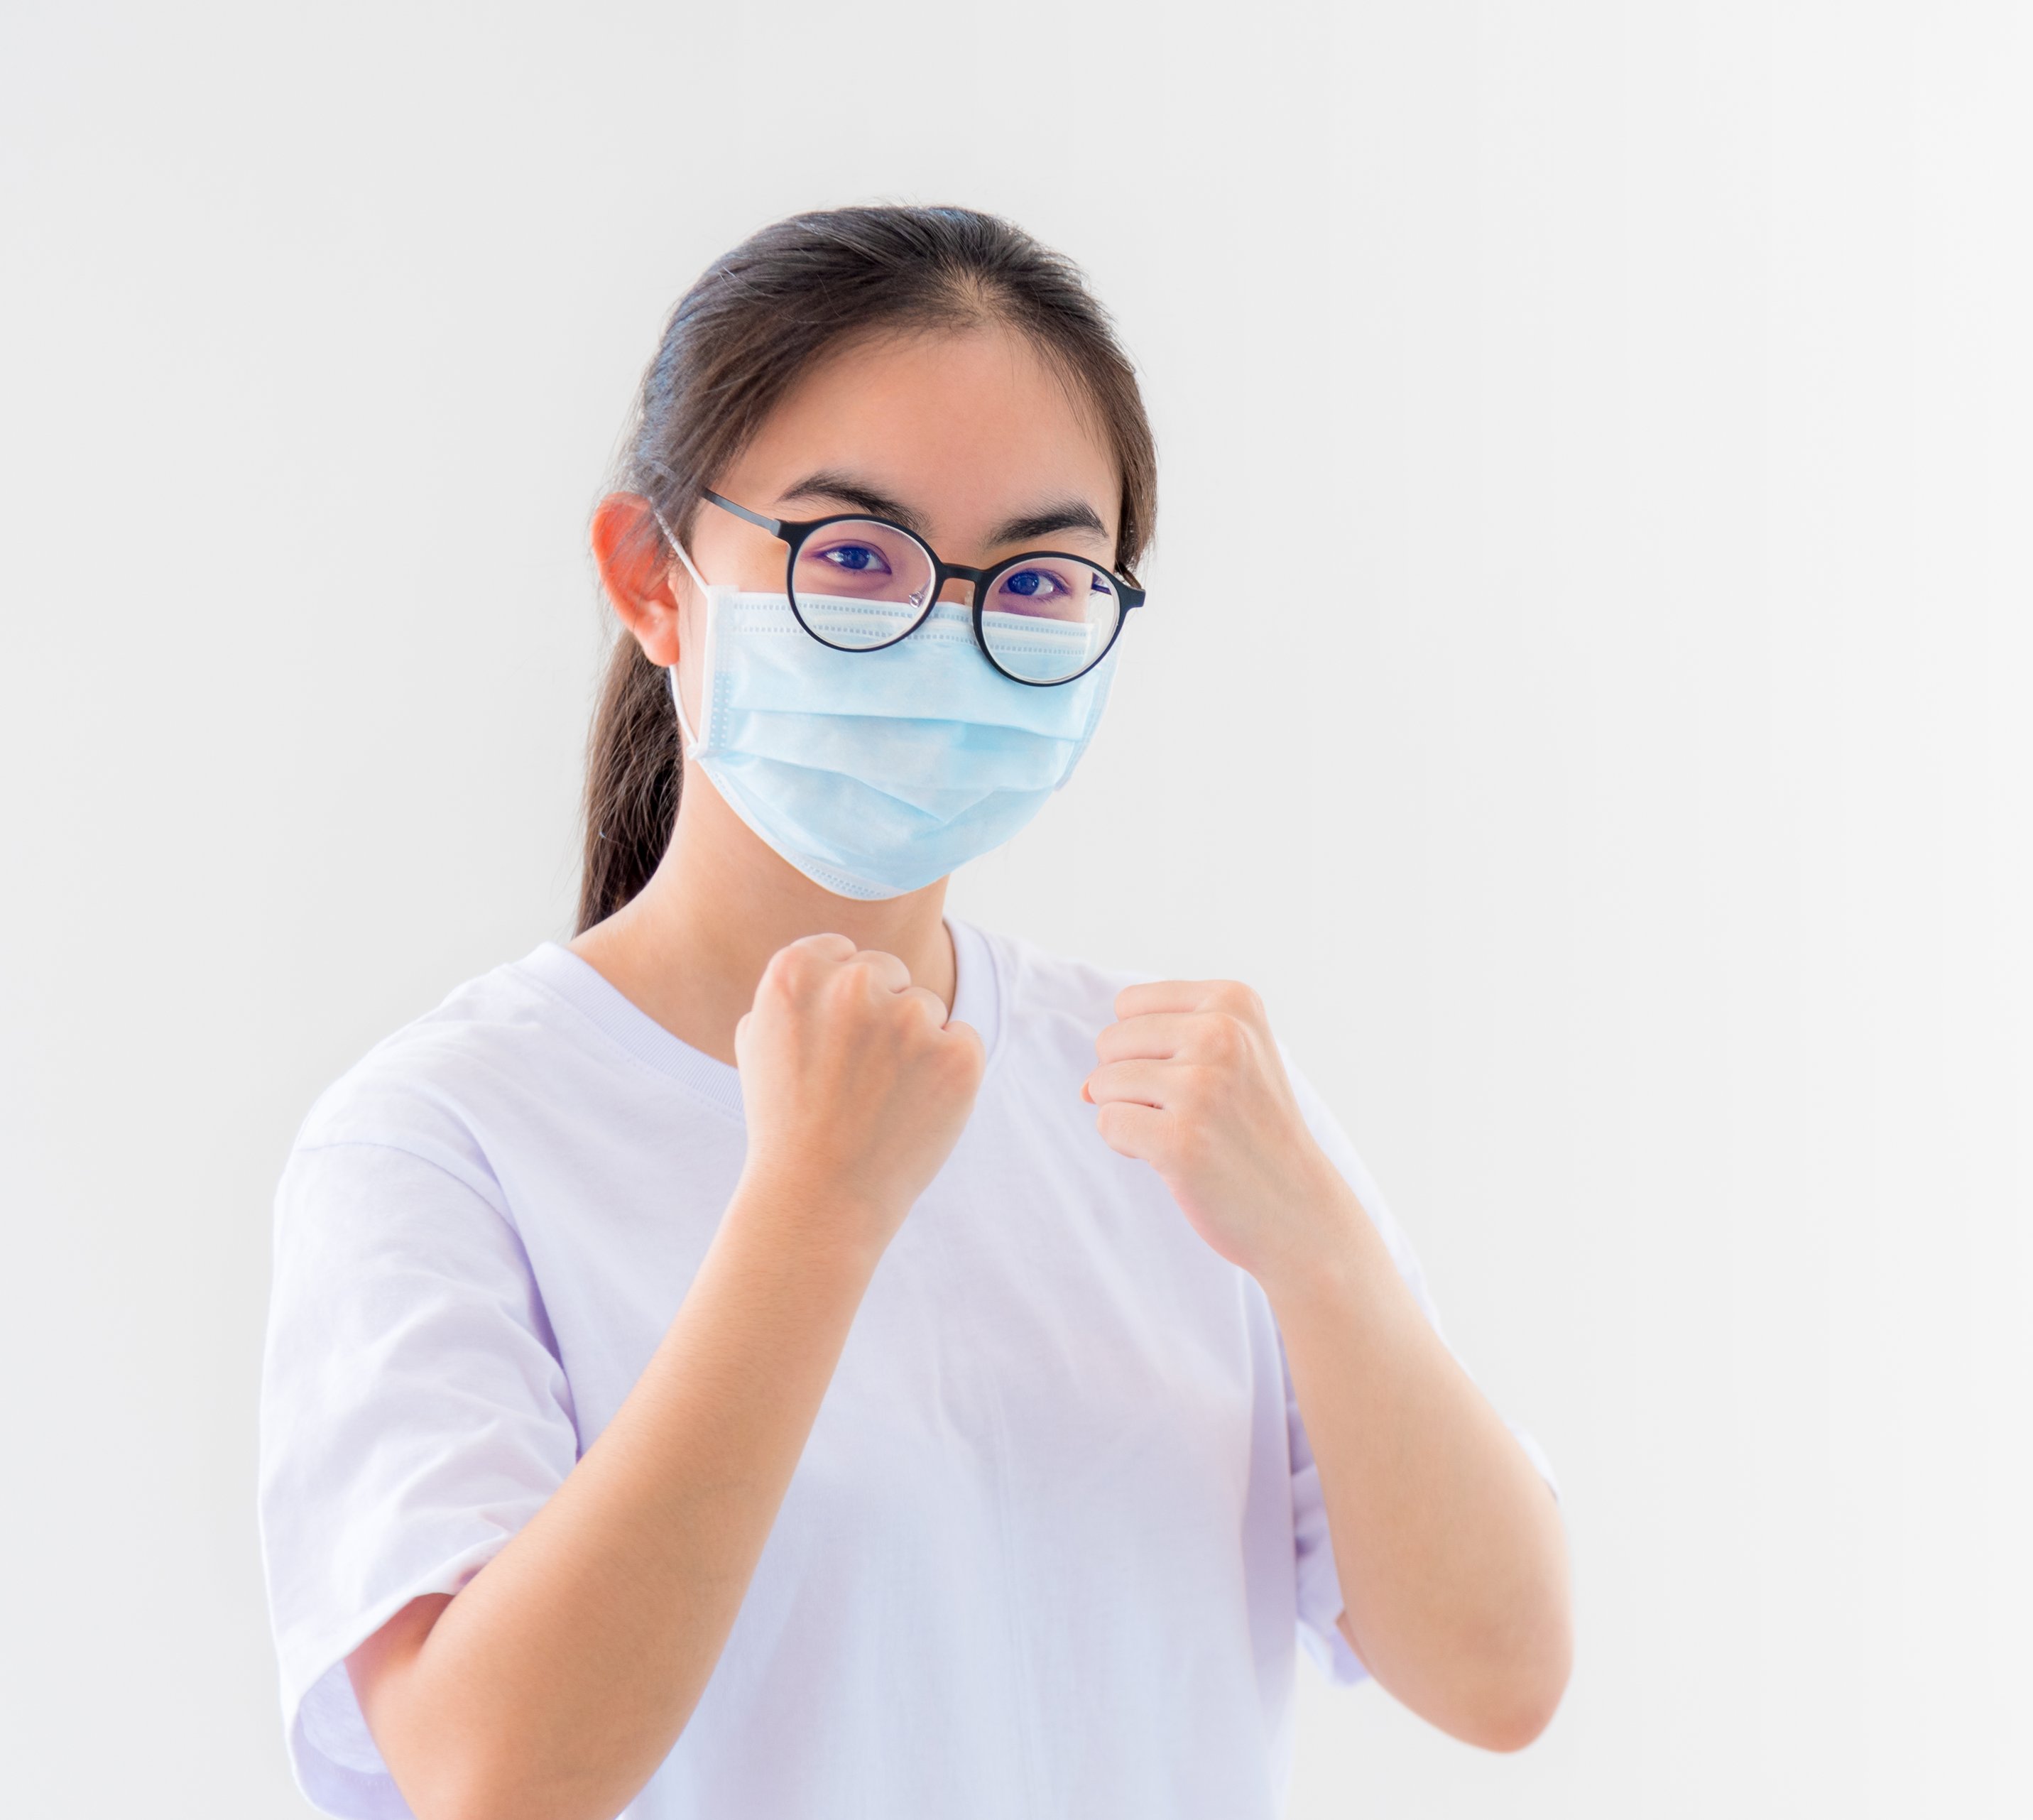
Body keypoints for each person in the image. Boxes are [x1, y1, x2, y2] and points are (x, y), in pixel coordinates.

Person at [256, 205, 1570, 1820]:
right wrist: (810, 1213)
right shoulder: (448, 1136)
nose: (946, 628)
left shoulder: (1172, 1097)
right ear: (652, 583)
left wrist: (1322, 1247)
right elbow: (494, 1775)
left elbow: (1500, 1674)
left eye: (1035, 577)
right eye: (854, 556)